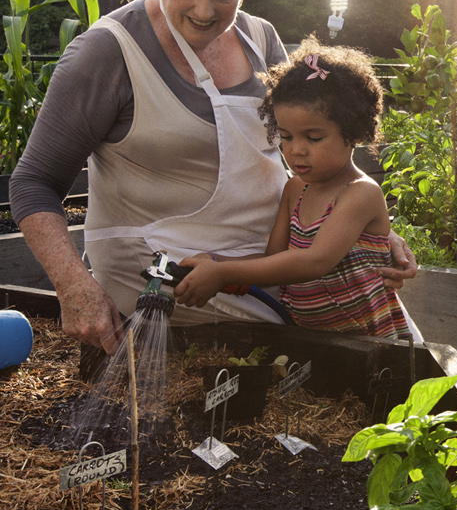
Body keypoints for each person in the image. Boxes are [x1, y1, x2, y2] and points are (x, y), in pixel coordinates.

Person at [10, 0, 416, 355]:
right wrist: (74, 287)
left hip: (275, 262)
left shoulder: (259, 37)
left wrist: (364, 229)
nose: (205, 12)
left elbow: (316, 133)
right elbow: (33, 183)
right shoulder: (106, 55)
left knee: (405, 358)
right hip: (178, 273)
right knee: (334, 363)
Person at [172, 39, 410, 338]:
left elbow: (315, 261)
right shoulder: (294, 190)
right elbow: (273, 261)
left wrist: (222, 274)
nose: (296, 150)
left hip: (371, 341)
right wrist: (215, 263)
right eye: (285, 136)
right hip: (312, 338)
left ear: (352, 132)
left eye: (313, 137)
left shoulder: (360, 193)